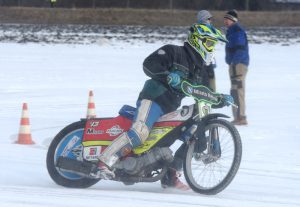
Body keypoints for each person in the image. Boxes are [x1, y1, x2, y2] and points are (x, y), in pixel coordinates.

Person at [97, 24, 227, 189]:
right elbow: (149, 64)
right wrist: (167, 76)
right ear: (198, 40)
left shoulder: (199, 70)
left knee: (191, 133)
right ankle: (105, 161)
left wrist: (219, 98)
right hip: (153, 99)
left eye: (213, 45)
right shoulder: (174, 51)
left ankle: (170, 174)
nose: (212, 48)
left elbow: (204, 92)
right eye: (209, 43)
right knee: (140, 132)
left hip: (170, 109)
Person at [224, 10, 249, 125]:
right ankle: (237, 117)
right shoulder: (231, 31)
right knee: (234, 90)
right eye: (225, 19)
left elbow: (240, 49)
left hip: (238, 65)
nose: (225, 21)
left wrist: (234, 62)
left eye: (227, 19)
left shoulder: (237, 31)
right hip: (234, 64)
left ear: (233, 20)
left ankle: (241, 117)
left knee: (238, 89)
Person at [196, 10, 217, 92]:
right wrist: (209, 66)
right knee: (207, 93)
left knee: (203, 92)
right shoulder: (203, 31)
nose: (210, 20)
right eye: (209, 19)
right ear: (204, 19)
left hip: (205, 64)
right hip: (204, 66)